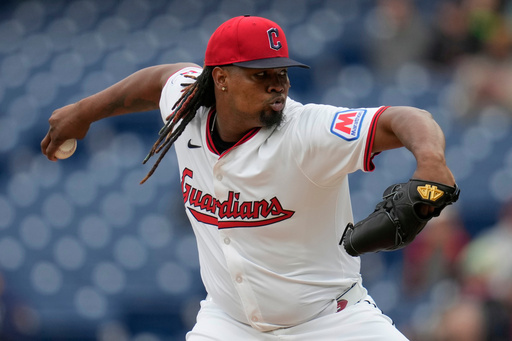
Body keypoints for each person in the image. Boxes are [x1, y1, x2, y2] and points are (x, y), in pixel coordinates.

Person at [41, 15, 456, 341]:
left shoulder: (308, 130)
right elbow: (157, 81)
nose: (277, 85)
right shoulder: (188, 105)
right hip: (229, 325)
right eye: (261, 74)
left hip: (331, 322)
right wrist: (83, 112)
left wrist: (431, 166)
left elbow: (408, 119)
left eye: (282, 73)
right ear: (219, 78)